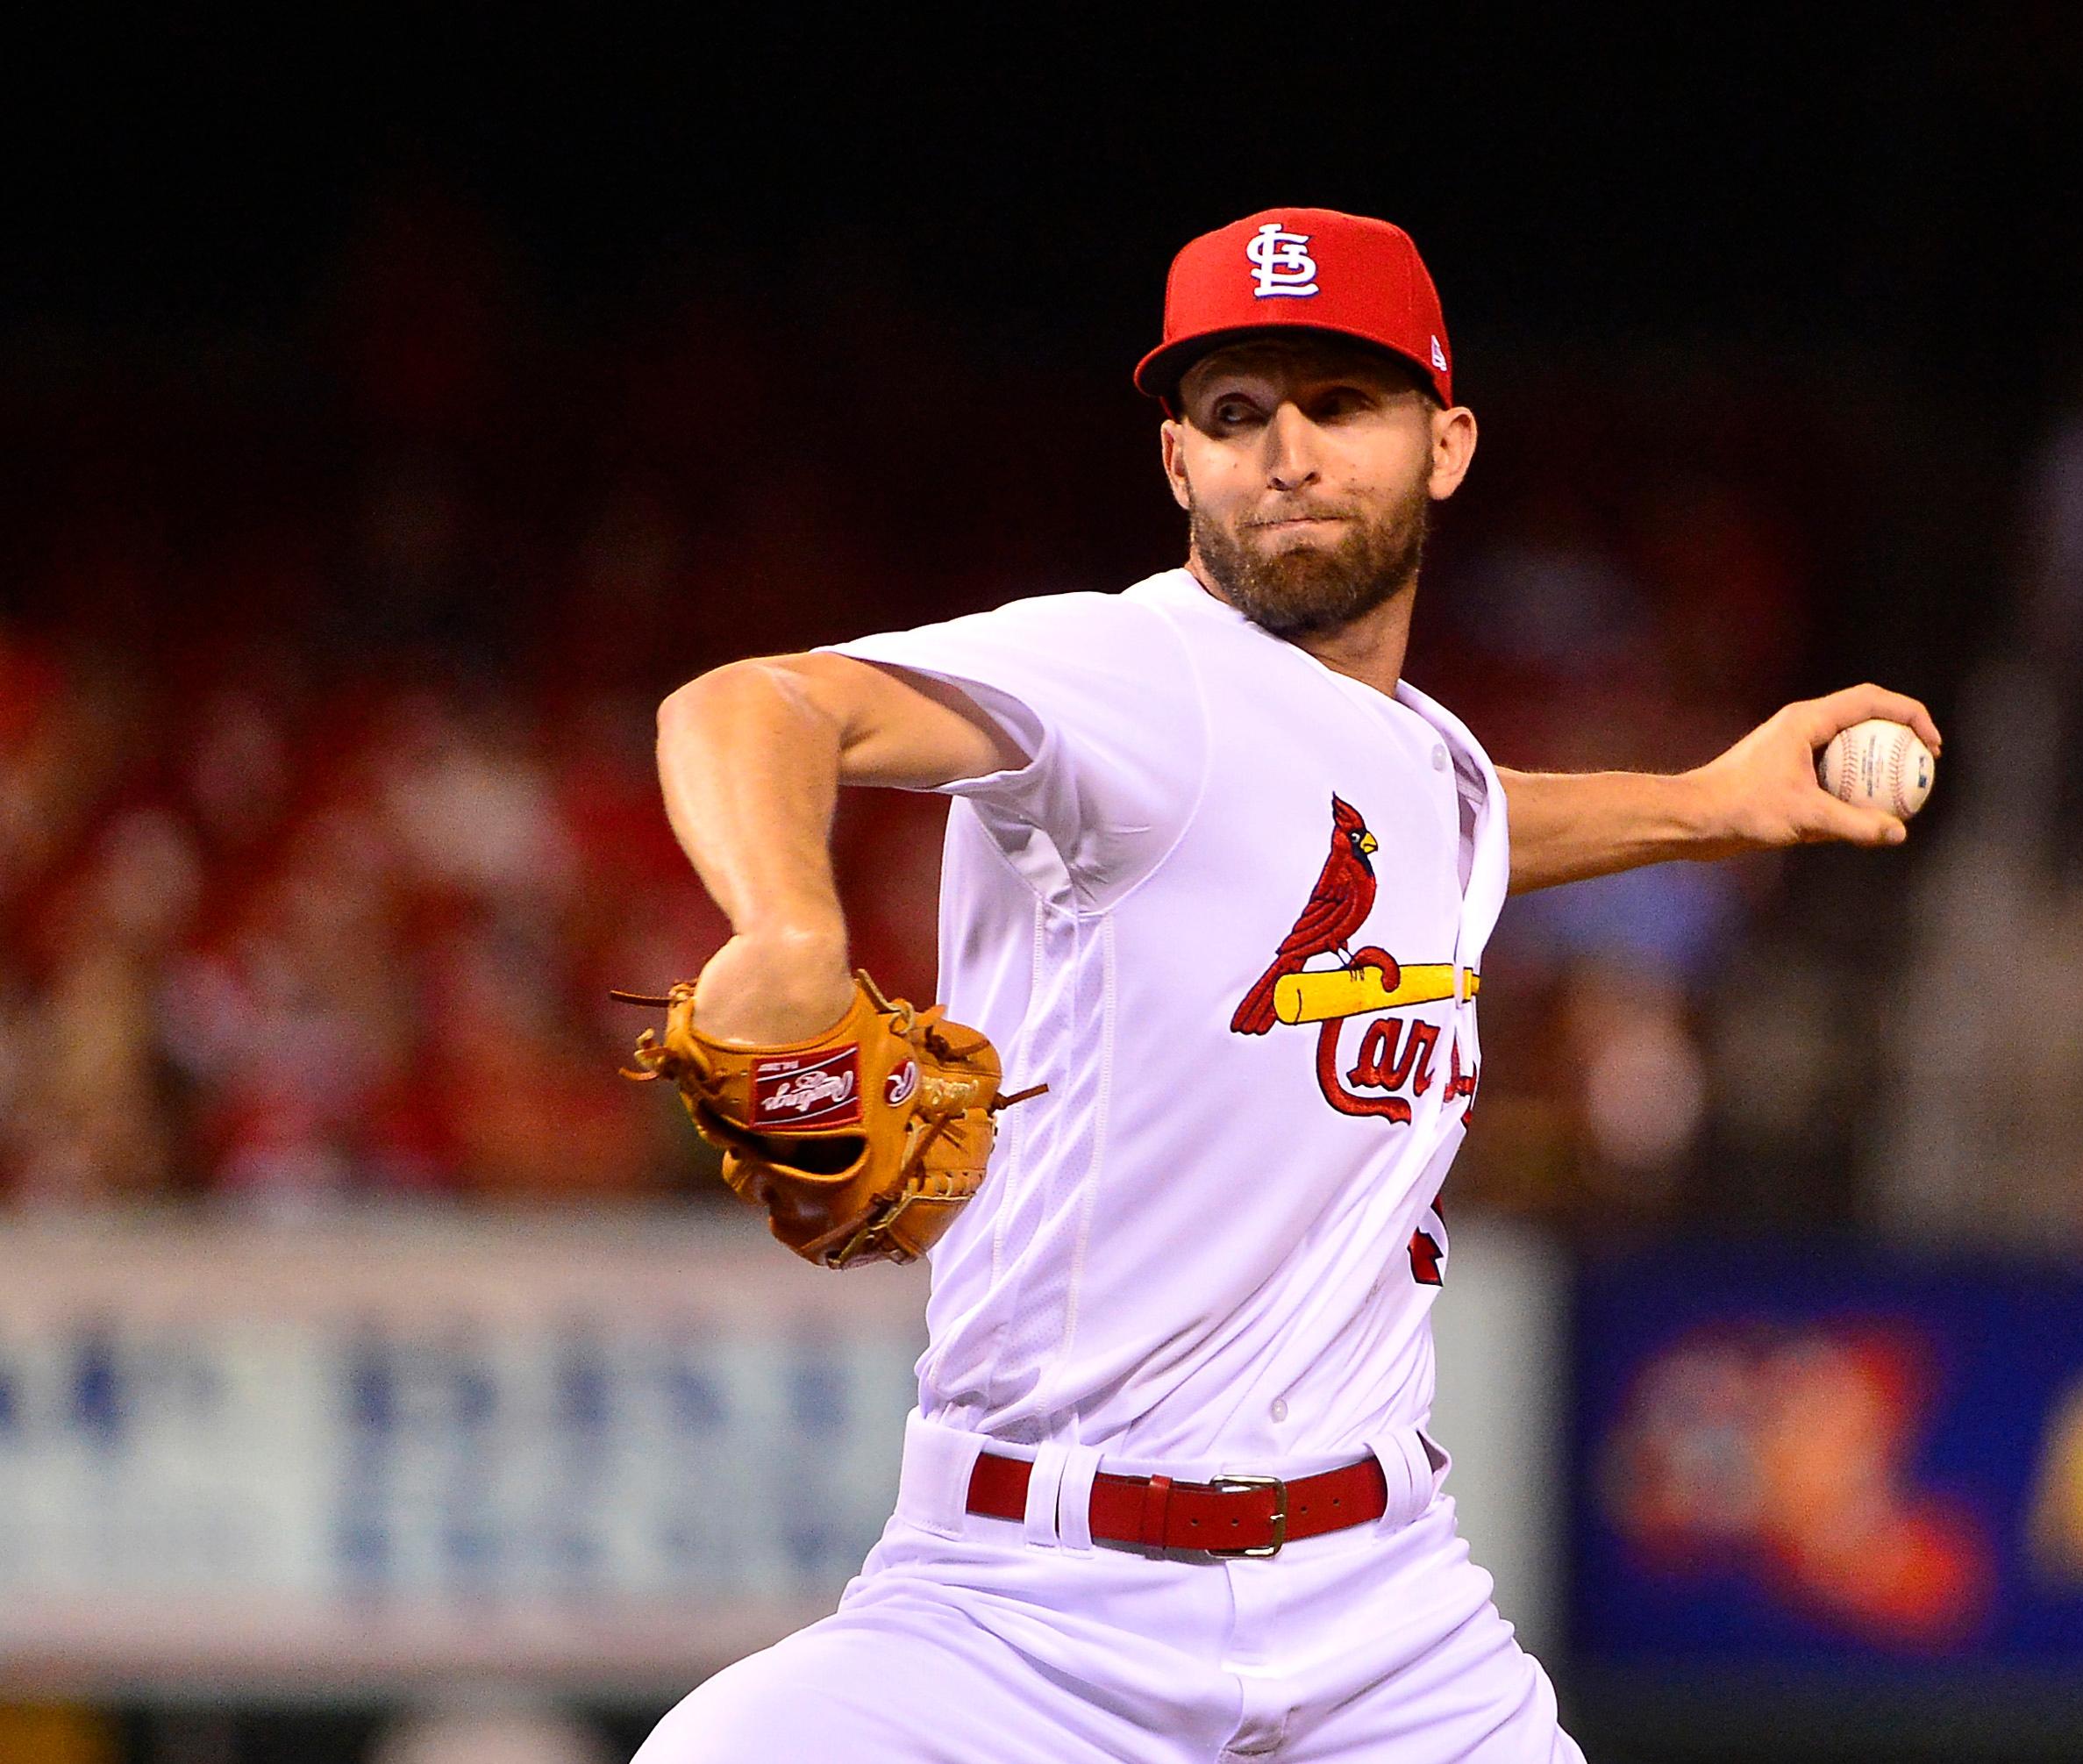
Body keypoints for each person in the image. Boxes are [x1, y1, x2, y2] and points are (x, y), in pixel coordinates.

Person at [634, 207, 1937, 1763]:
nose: (1288, 452)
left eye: (1342, 403)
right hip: (1028, 1613)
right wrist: (789, 927)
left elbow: (1450, 816)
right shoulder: (1129, 677)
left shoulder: (1418, 756)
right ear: (1179, 464)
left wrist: (1713, 803)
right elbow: (752, 706)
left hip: (1389, 1622)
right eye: (1236, 413)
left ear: (1446, 444)